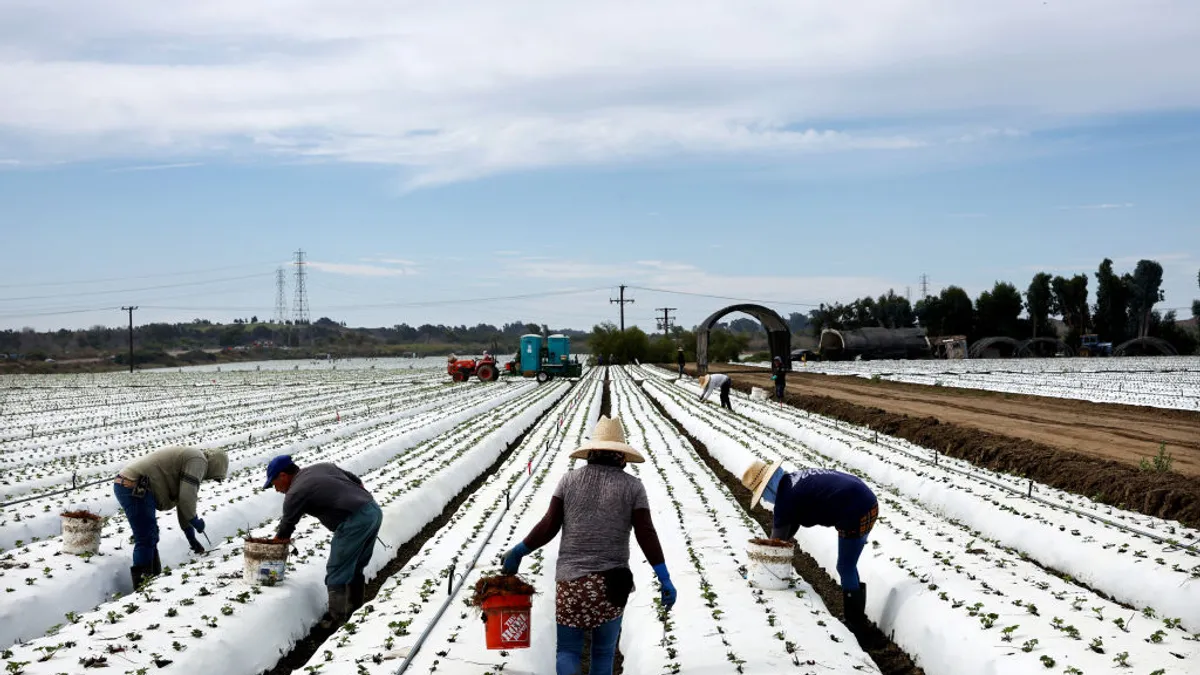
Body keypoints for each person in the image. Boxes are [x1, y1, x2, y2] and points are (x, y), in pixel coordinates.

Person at [501, 416, 676, 675]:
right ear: (621, 456)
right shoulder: (632, 487)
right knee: (603, 653)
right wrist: (664, 577)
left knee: (568, 651)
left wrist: (519, 551)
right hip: (612, 585)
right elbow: (646, 534)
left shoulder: (569, 481)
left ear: (591, 452)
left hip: (572, 584)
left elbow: (548, 526)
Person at [740, 459, 879, 634]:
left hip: (858, 509)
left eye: (762, 495)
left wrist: (758, 568)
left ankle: (856, 626)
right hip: (864, 499)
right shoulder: (790, 482)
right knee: (848, 565)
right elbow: (793, 523)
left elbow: (775, 544)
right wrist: (781, 542)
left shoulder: (785, 499)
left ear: (767, 487)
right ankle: (858, 621)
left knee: (845, 566)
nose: (765, 500)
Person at [264, 455, 383, 626]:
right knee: (355, 565)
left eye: (274, 484)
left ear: (283, 475)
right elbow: (357, 481)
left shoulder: (295, 491)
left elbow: (286, 529)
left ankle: (336, 620)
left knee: (337, 569)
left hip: (353, 521)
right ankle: (354, 609)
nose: (276, 489)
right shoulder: (322, 467)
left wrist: (269, 553)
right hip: (372, 510)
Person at [114, 447, 228, 589]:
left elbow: (182, 502)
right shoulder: (199, 461)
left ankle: (153, 581)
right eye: (215, 477)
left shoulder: (194, 460)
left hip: (134, 484)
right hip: (133, 485)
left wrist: (191, 538)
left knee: (151, 535)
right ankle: (142, 588)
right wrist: (195, 521)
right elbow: (187, 498)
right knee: (145, 538)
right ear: (217, 466)